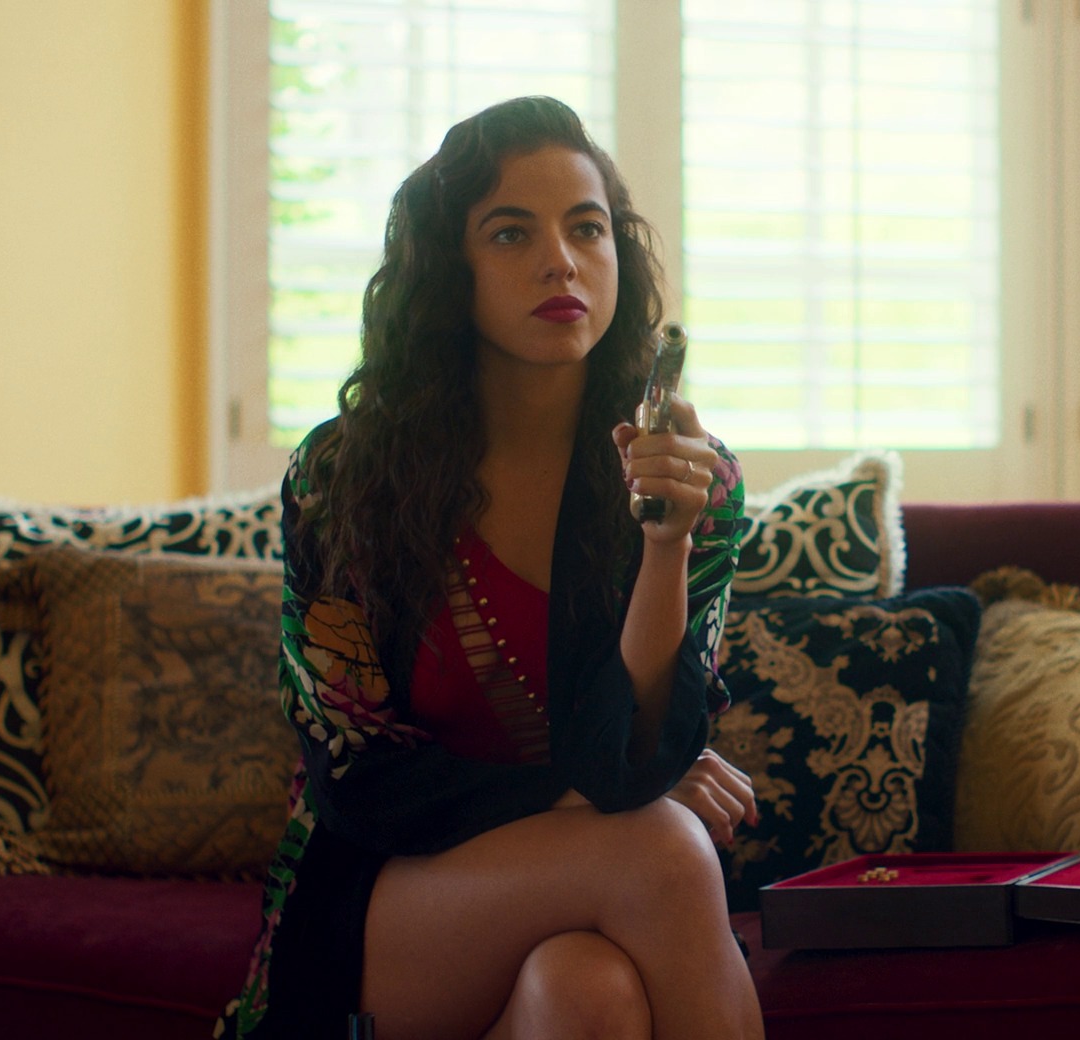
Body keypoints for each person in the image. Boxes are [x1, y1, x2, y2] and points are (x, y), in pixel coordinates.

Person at [217, 96, 765, 1040]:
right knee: (665, 851)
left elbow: (641, 752)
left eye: (586, 228)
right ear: (449, 269)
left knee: (588, 992)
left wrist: (666, 542)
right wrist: (590, 798)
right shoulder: (345, 476)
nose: (561, 260)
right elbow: (355, 774)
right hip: (390, 893)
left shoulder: (692, 479)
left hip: (589, 886)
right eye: (512, 233)